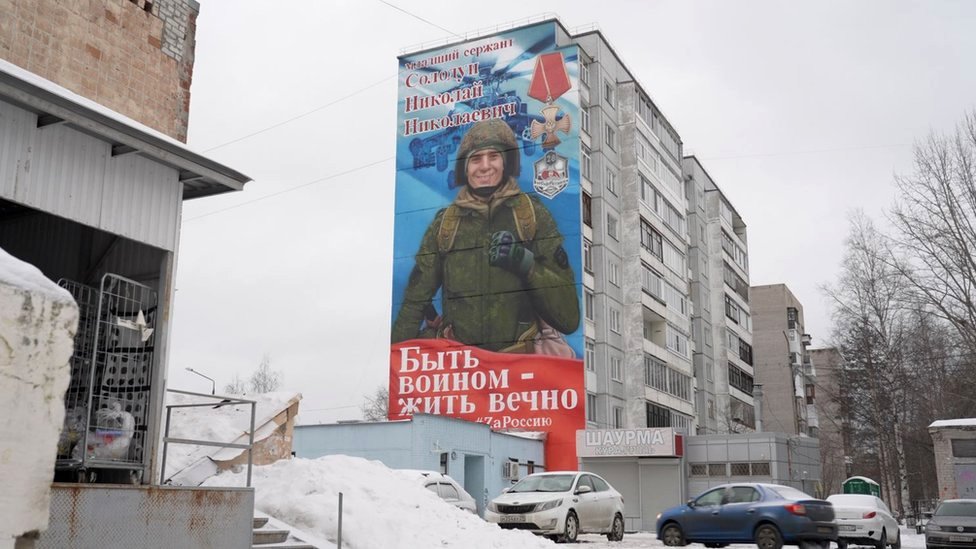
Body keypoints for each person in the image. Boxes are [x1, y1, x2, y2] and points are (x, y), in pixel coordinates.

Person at [392, 118, 580, 354]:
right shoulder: (445, 225)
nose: (484, 166)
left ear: (506, 163)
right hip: (462, 368)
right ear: (465, 168)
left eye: (494, 156)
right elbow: (413, 304)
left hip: (521, 368)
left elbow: (568, 319)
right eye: (475, 159)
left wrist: (526, 263)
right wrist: (396, 362)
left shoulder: (531, 216)